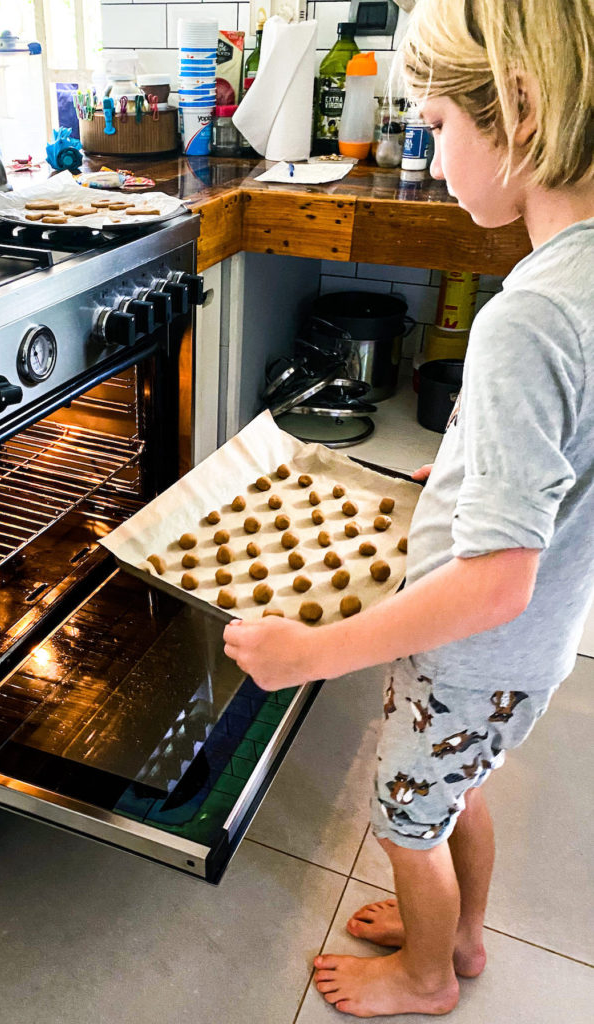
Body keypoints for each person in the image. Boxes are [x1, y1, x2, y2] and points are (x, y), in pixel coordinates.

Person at [223, 0, 594, 1016]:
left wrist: (313, 654)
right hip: (532, 659)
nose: (427, 155)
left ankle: (429, 975)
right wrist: (471, 476)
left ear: (517, 110)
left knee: (404, 818)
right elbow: (563, 461)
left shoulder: (532, 313)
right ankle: (462, 934)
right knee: (454, 787)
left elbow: (492, 585)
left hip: (473, 656)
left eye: (433, 125)